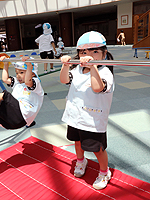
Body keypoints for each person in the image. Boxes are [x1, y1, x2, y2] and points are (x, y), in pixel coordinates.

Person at [59, 31, 114, 190]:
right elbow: (64, 80)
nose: (88, 55)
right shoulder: (76, 70)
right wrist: (65, 65)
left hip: (93, 119)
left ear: (104, 53)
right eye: (84, 52)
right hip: (75, 116)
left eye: (95, 51)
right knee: (77, 142)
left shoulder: (105, 72)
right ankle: (81, 161)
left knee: (97, 149)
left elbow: (97, 88)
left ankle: (104, 172)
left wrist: (93, 67)